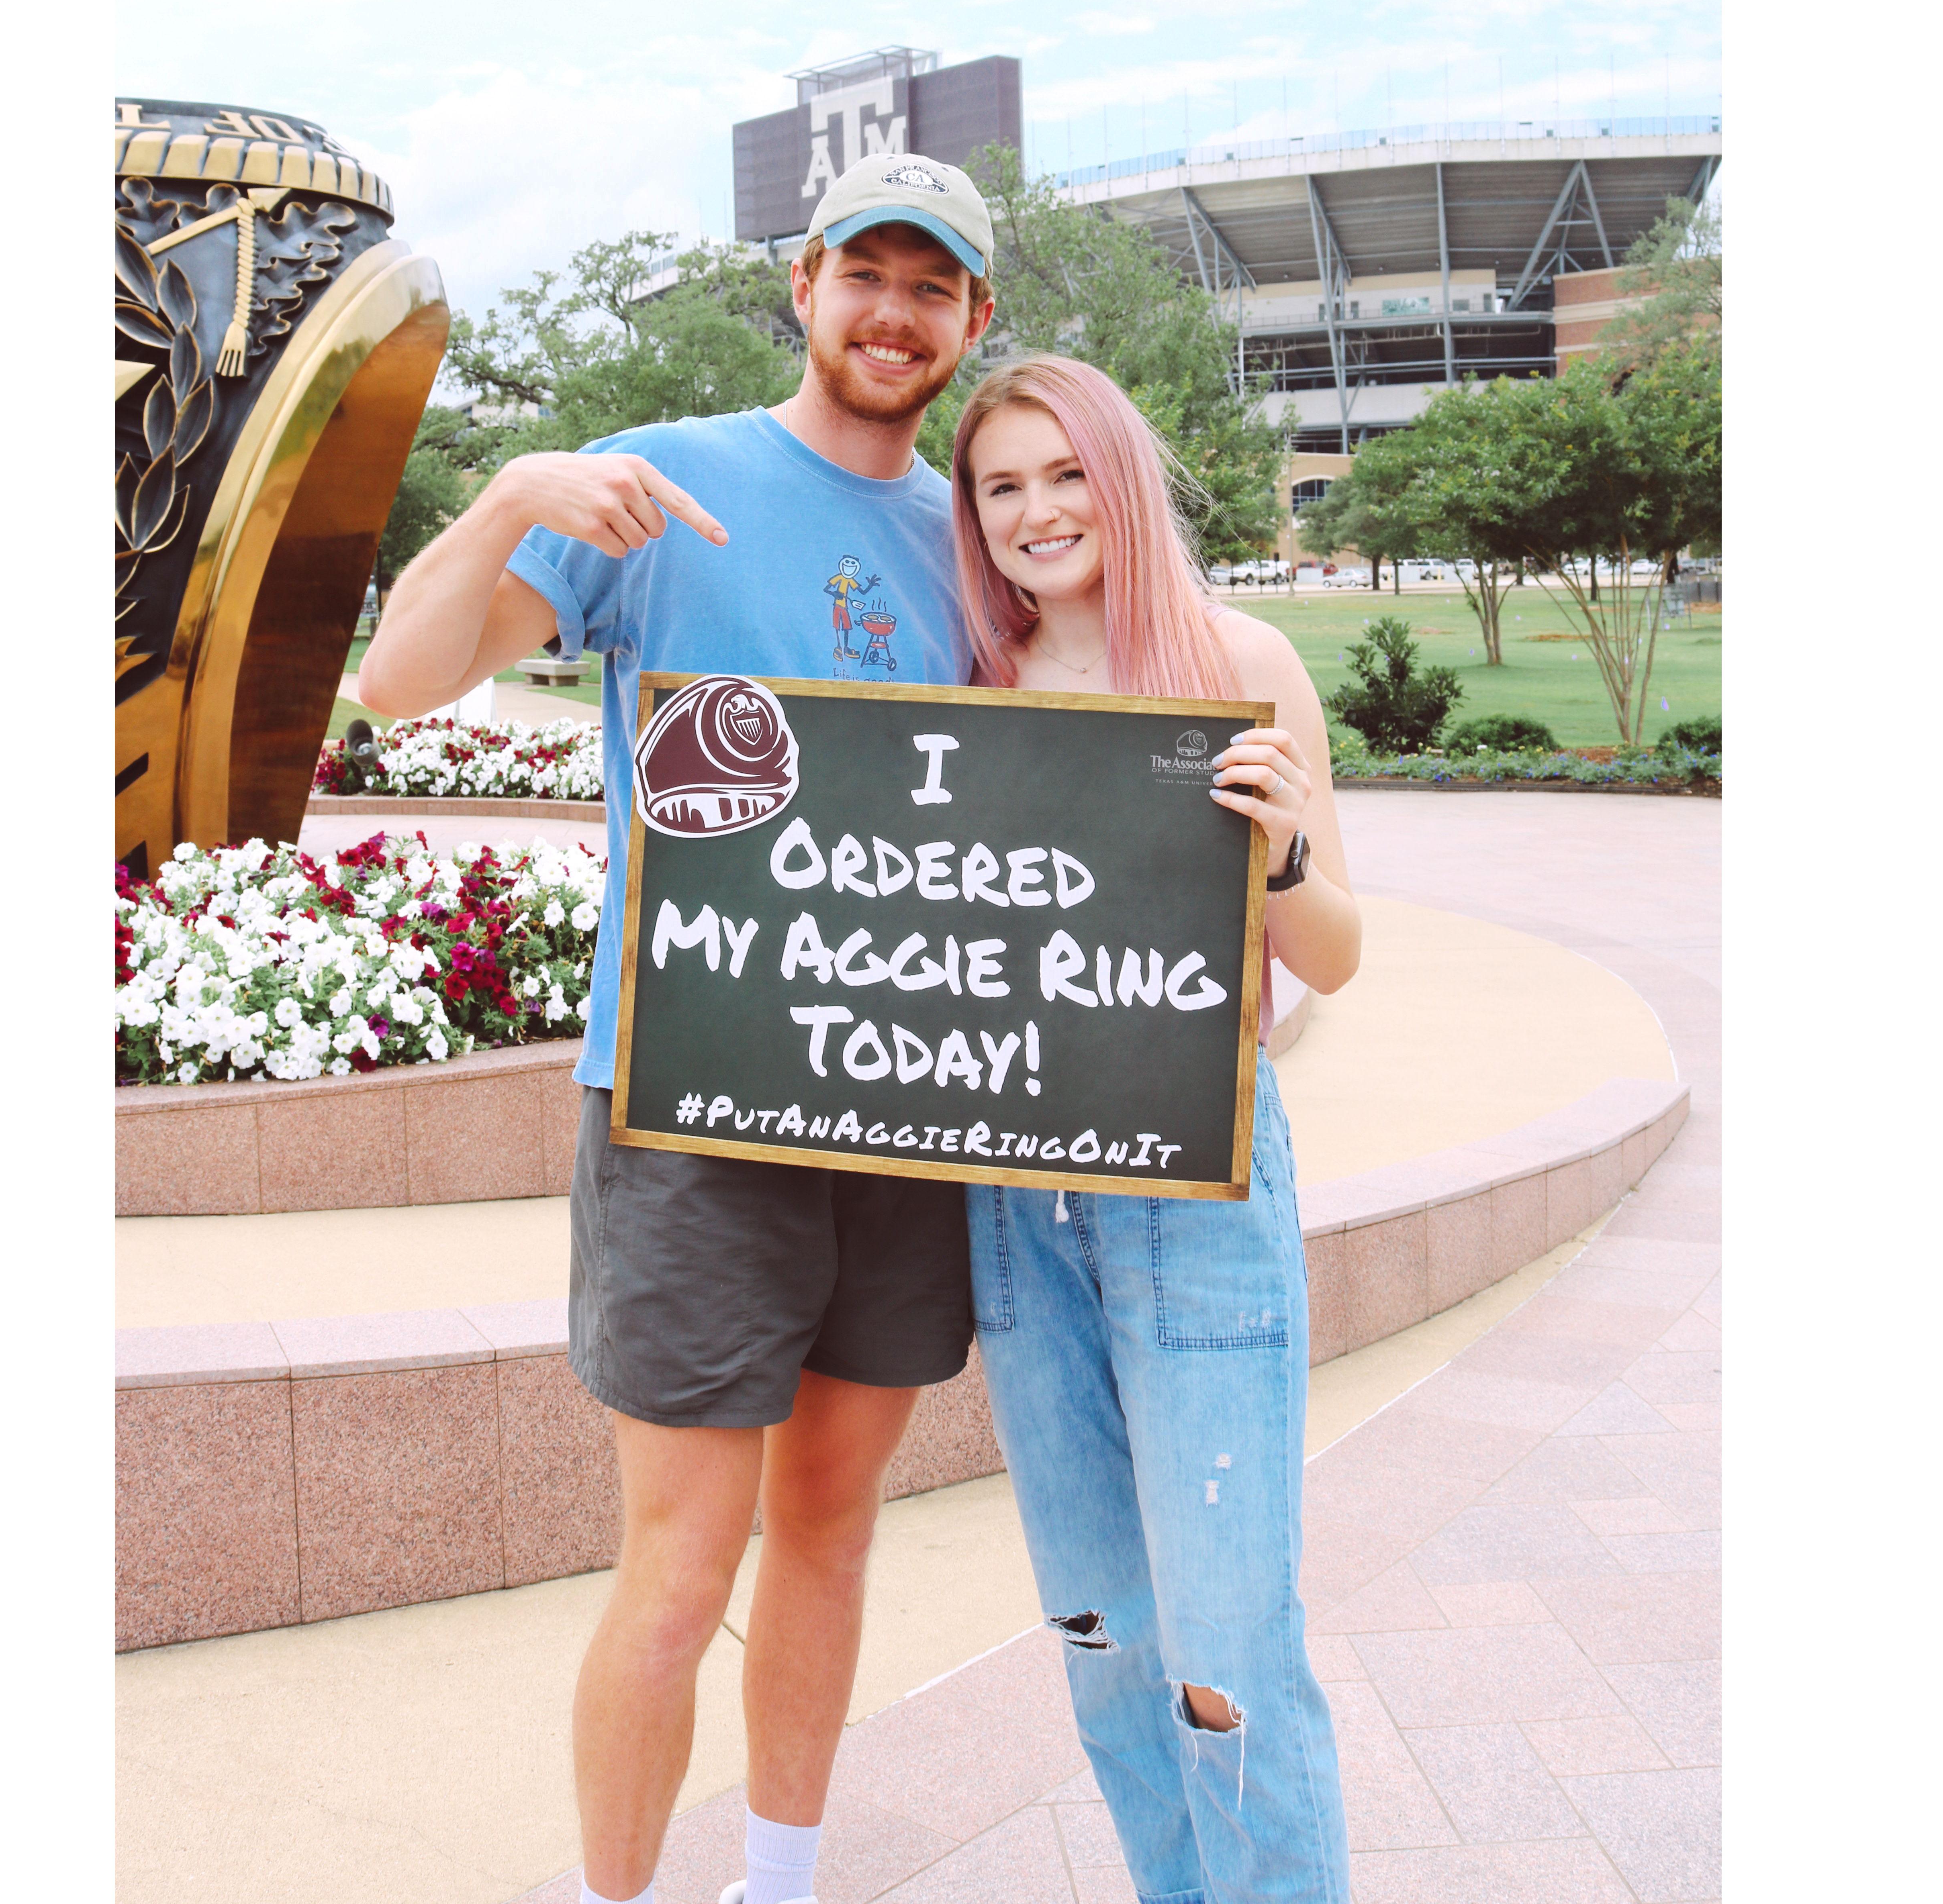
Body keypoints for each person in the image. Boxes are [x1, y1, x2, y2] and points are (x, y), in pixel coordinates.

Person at [358, 151, 999, 1904]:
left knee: (833, 1523)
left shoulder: (973, 543)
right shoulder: (661, 491)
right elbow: (401, 682)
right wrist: (502, 498)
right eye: (865, 274)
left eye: (930, 287)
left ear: (971, 322)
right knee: (681, 1560)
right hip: (692, 1106)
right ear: (801, 287)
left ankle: (778, 1879)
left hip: (903, 1108)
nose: (893, 313)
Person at [947, 353, 1365, 1904]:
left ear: (1119, 479)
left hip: (1199, 1184)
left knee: (1229, 1637)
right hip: (1014, 1203)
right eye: (1003, 485)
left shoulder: (1235, 660)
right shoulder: (960, 691)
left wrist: (1281, 853)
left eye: (1066, 475)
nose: (1039, 510)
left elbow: (1334, 954)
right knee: (1103, 1631)